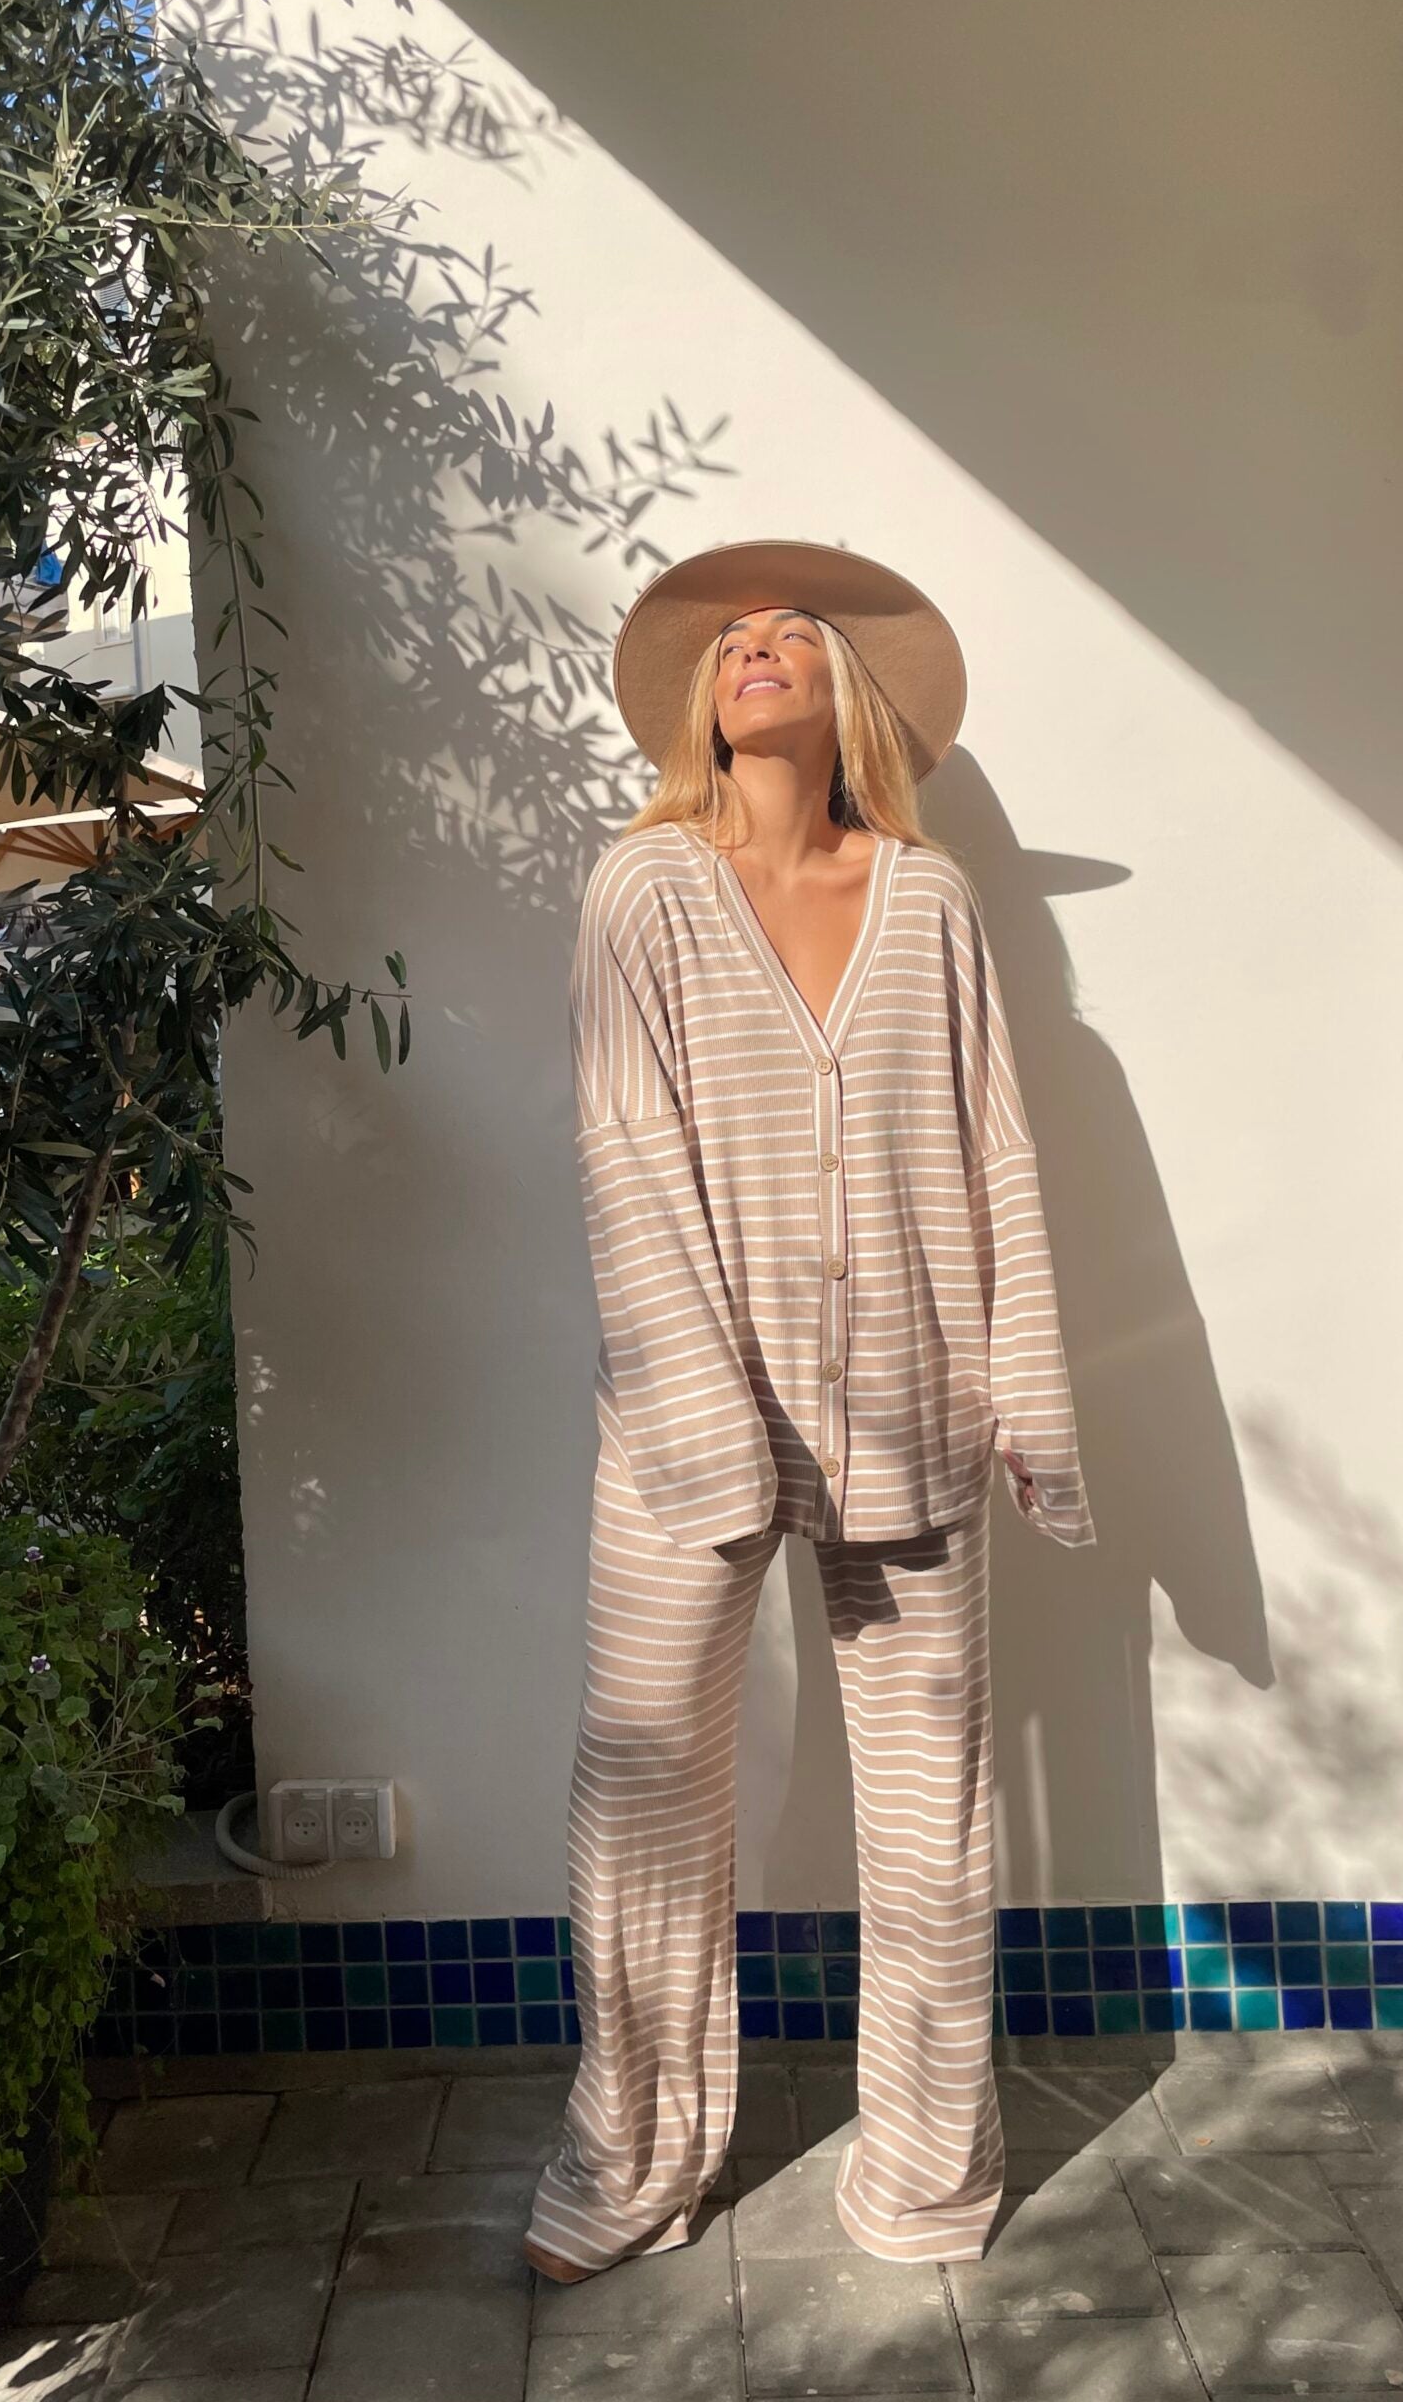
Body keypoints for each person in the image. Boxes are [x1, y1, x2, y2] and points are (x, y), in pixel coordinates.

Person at [522, 539, 1097, 2283]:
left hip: (914, 1406)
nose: (756, 648)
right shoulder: (641, 887)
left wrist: (1027, 1395)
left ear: (849, 693)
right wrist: (702, 1417)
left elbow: (996, 1148)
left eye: (793, 632)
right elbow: (623, 1153)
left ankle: (923, 2179)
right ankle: (629, 2168)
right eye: (731, 640)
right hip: (685, 1416)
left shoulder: (930, 897)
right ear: (701, 703)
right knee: (643, 1794)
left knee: (934, 1816)